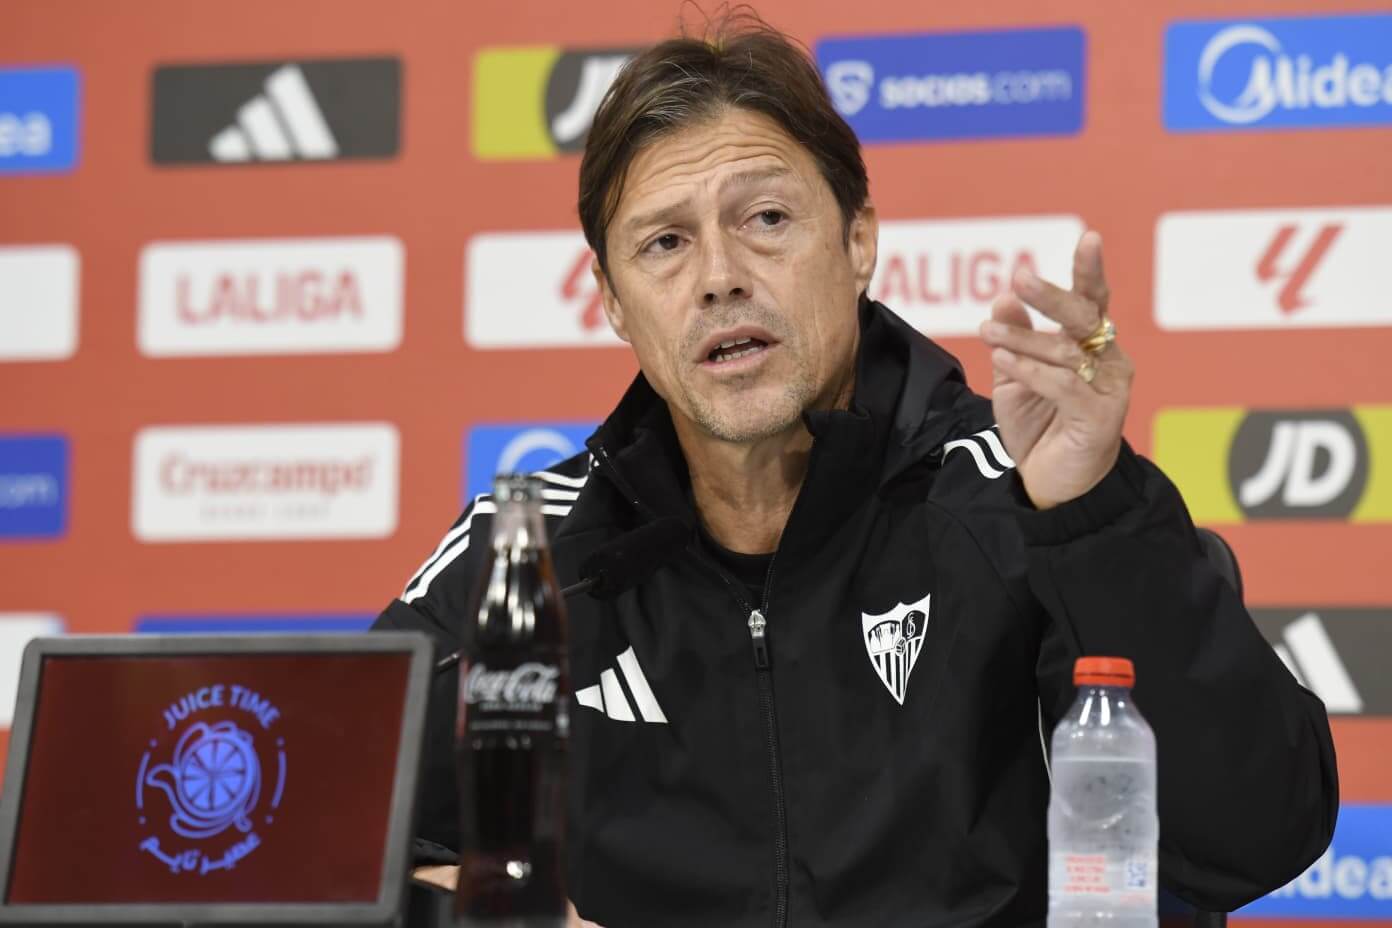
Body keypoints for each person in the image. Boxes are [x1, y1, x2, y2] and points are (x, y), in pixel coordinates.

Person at [374, 13, 1337, 927]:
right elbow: (313, 834)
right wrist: (452, 900)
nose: (718, 274)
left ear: (858, 240)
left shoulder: (1020, 500)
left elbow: (1256, 836)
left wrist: (1096, 515)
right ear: (616, 304)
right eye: (665, 243)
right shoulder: (529, 550)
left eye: (766, 218)